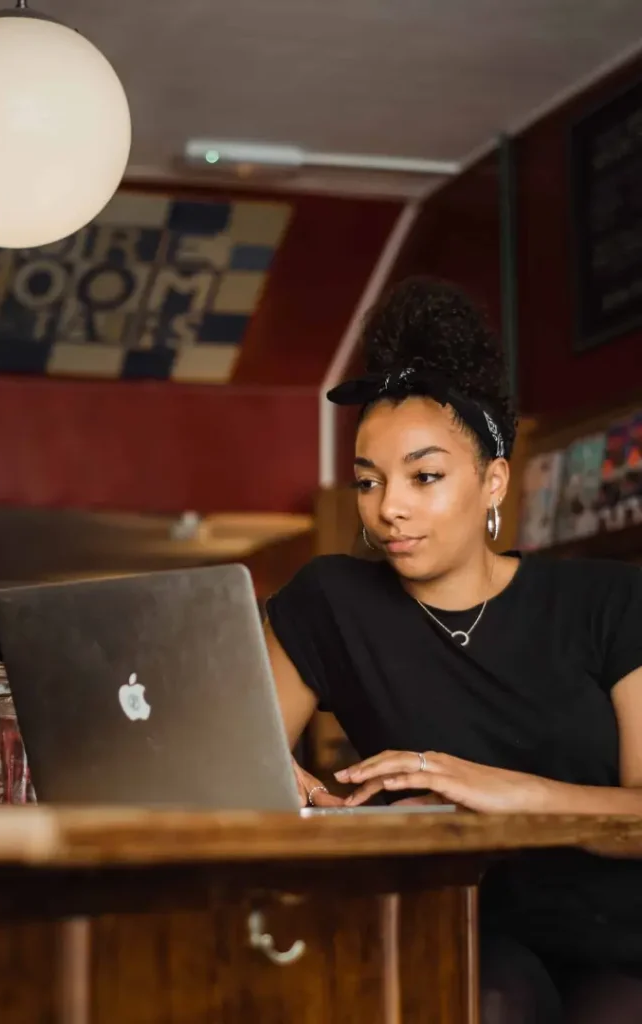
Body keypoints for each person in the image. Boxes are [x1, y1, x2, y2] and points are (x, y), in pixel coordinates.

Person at [264, 279, 642, 1024]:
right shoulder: (331, 602)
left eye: (425, 477)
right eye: (368, 482)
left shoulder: (609, 602)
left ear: (493, 480)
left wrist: (510, 793)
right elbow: (235, 758)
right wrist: (297, 791)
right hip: (456, 920)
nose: (389, 507)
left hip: (620, 933)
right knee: (486, 994)